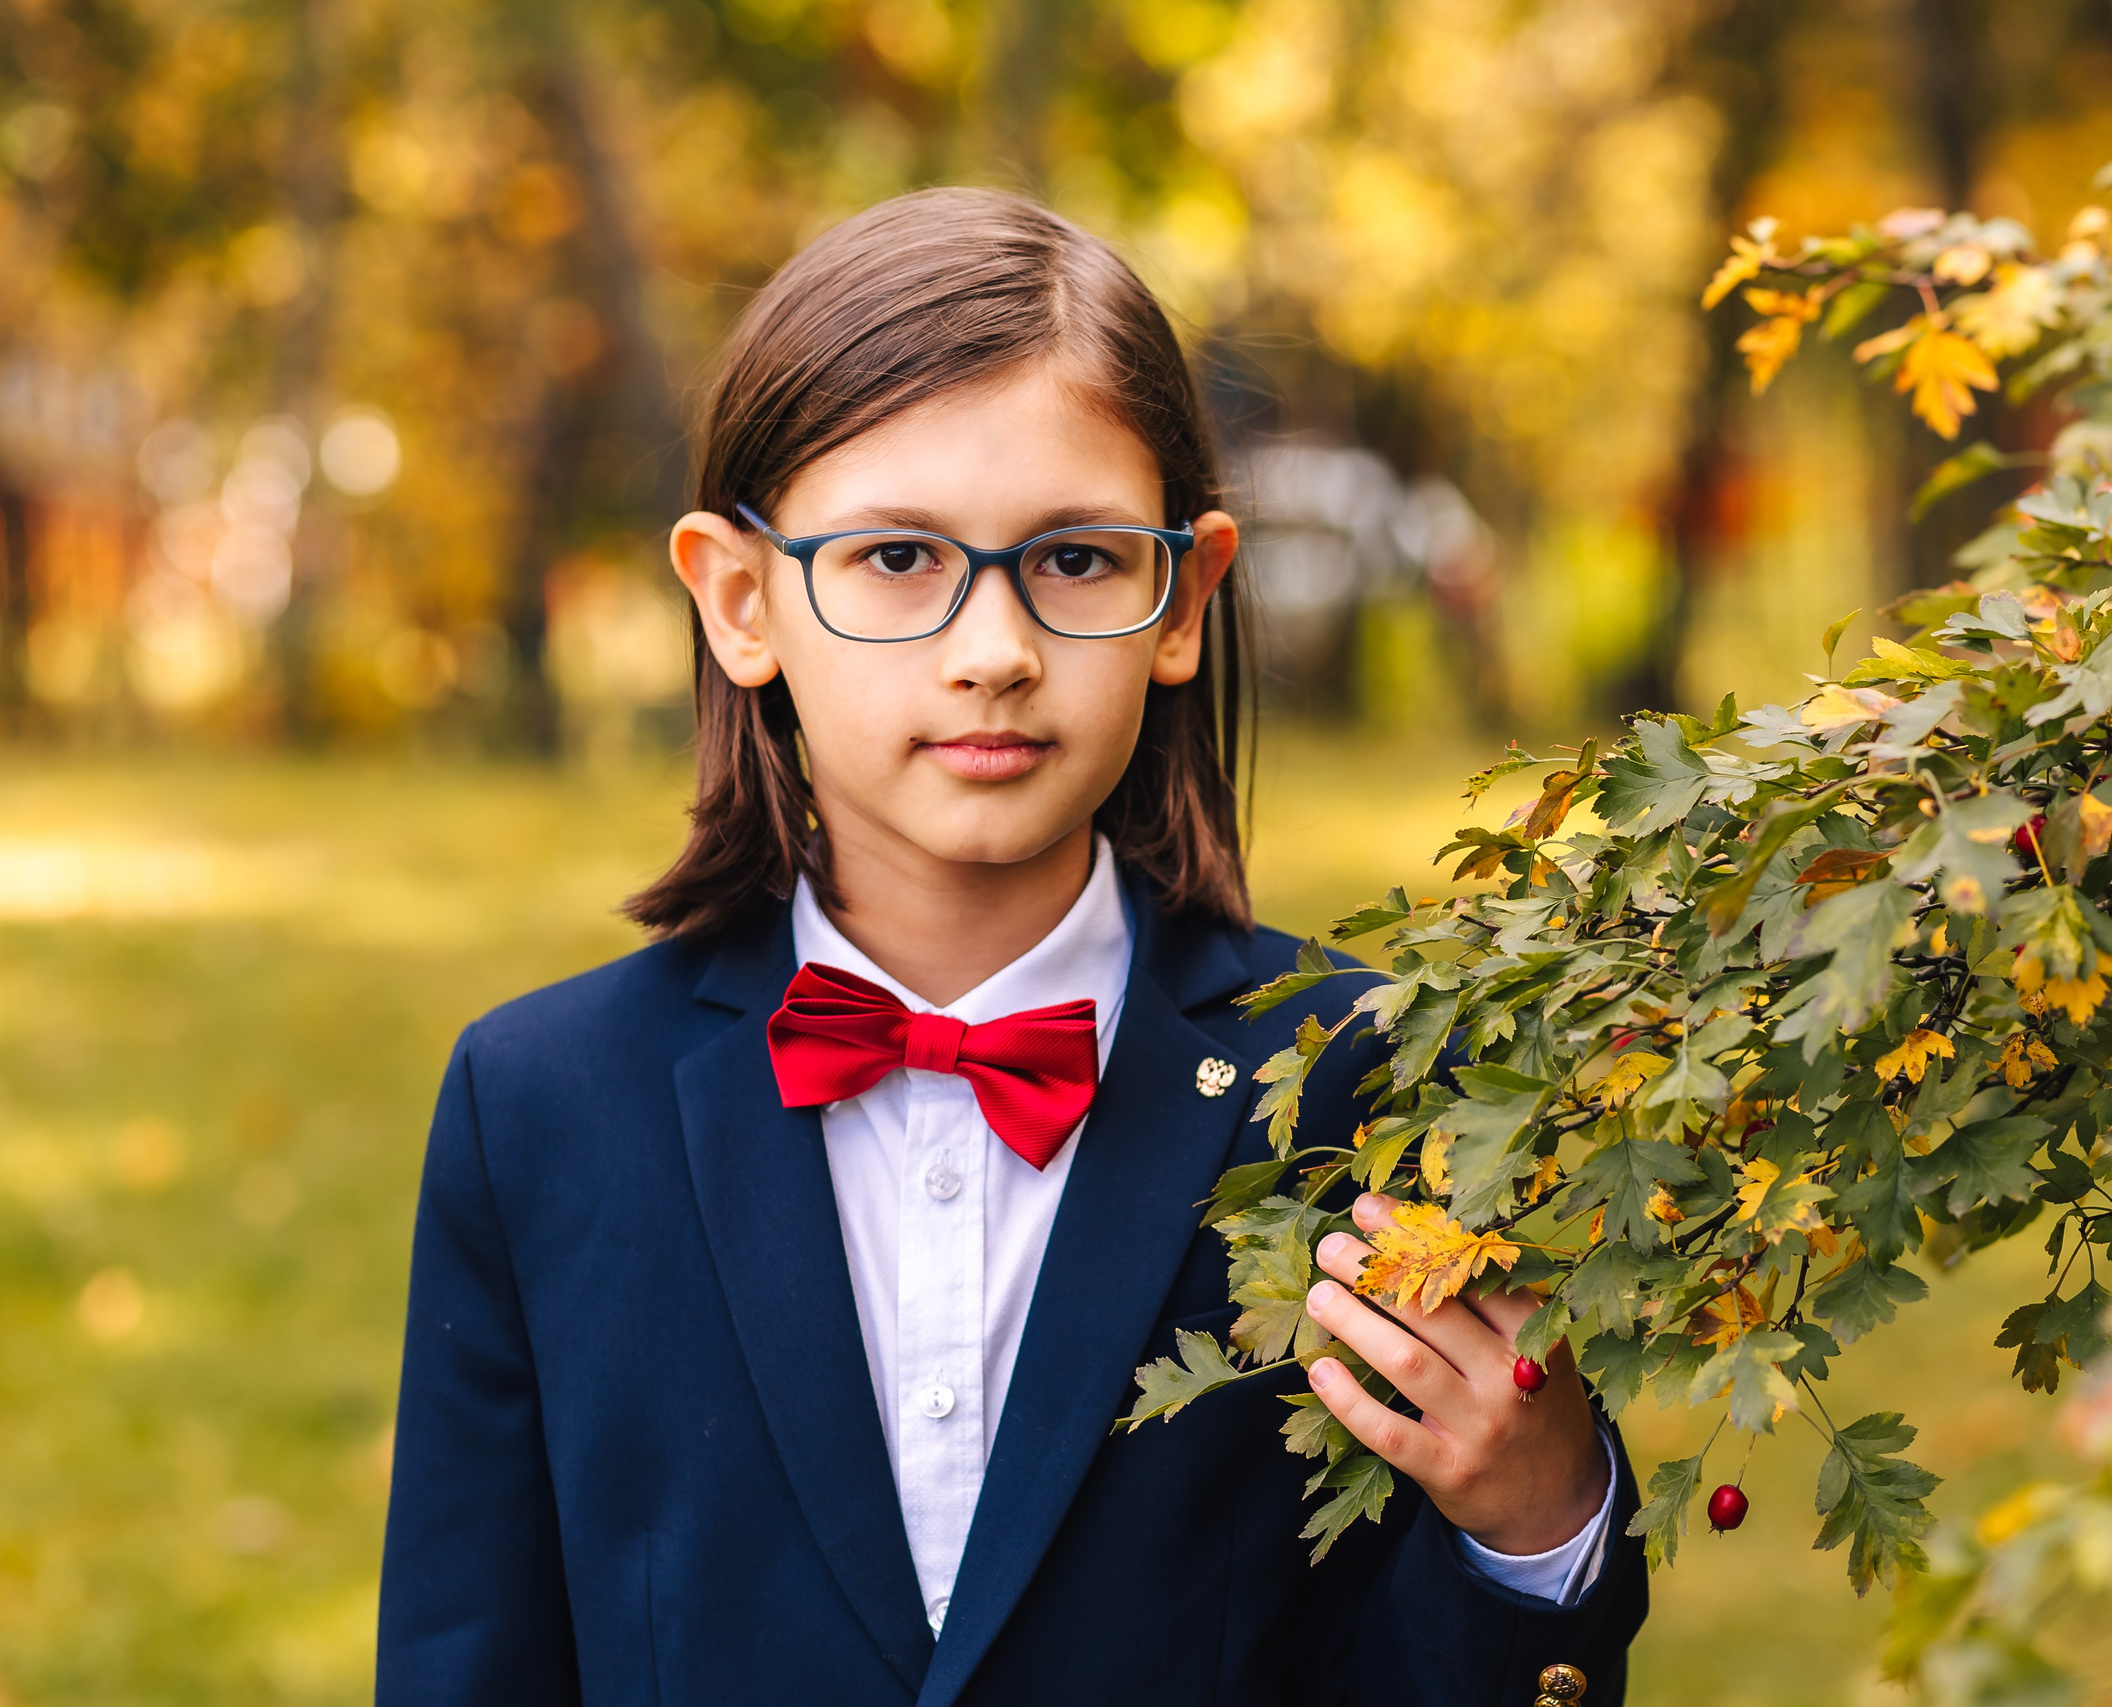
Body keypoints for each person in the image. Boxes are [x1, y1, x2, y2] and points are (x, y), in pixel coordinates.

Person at [376, 187, 1647, 1707]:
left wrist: (1539, 1527)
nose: (996, 653)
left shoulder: (1372, 1081)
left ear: (1185, 599)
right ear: (739, 600)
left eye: (1079, 560)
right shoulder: (539, 1108)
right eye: (900, 559)